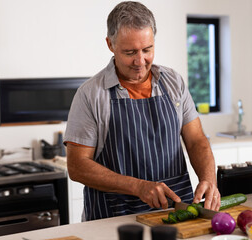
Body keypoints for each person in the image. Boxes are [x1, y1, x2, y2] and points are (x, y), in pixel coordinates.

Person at [64, 1, 220, 221]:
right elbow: (77, 166)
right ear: (110, 44)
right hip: (115, 217)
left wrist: (209, 179)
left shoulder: (173, 82)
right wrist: (137, 186)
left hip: (177, 213)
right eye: (130, 52)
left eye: (147, 50)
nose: (140, 61)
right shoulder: (90, 95)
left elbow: (196, 140)